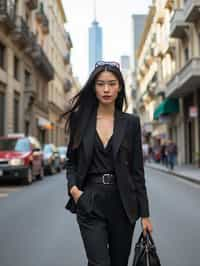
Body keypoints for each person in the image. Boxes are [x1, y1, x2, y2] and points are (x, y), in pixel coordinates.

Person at [63, 61, 153, 266]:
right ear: (93, 87)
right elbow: (71, 162)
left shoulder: (130, 123)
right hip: (90, 200)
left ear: (119, 87)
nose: (106, 89)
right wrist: (75, 191)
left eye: (112, 84)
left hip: (123, 204)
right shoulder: (80, 119)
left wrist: (145, 214)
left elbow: (137, 171)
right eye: (101, 84)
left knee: (119, 263)